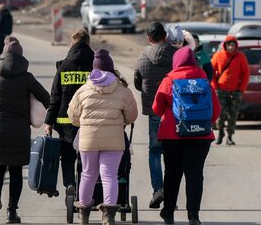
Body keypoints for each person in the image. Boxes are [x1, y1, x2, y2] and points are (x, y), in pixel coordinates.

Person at [0, 36, 50, 224]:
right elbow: (46, 98)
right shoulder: (27, 78)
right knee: (15, 171)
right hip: (19, 131)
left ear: (3, 55)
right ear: (21, 57)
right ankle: (12, 212)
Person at [68, 49, 138, 225]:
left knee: (88, 174)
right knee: (109, 176)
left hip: (88, 140)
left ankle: (83, 213)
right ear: (111, 68)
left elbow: (73, 117)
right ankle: (108, 215)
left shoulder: (83, 90)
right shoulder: (123, 90)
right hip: (114, 140)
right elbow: (131, 116)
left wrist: (83, 124)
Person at [152, 46, 221, 225]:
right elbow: (216, 112)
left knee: (172, 173)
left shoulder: (169, 81)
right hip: (200, 136)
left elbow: (156, 109)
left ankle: (168, 213)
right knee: (195, 174)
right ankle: (193, 216)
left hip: (172, 136)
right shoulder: (205, 82)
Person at [43, 29, 94, 203]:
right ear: (88, 43)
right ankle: (87, 189)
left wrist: (49, 122)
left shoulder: (64, 66)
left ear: (72, 43)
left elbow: (55, 97)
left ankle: (70, 183)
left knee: (67, 156)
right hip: (90, 121)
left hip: (66, 122)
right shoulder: (96, 65)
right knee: (89, 156)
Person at [134, 21, 177, 209]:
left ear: (149, 39)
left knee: (155, 151)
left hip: (154, 111)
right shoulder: (176, 55)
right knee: (173, 154)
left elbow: (137, 82)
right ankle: (170, 196)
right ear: (165, 37)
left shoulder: (143, 57)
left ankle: (157, 189)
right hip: (175, 112)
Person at [211, 36, 250, 145]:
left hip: (235, 91)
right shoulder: (218, 56)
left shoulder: (240, 57)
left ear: (235, 46)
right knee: (220, 114)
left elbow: (246, 74)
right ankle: (220, 133)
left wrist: (241, 89)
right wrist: (215, 87)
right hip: (221, 90)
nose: (231, 47)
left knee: (233, 114)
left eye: (233, 45)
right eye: (229, 45)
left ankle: (229, 136)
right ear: (225, 45)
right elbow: (211, 71)